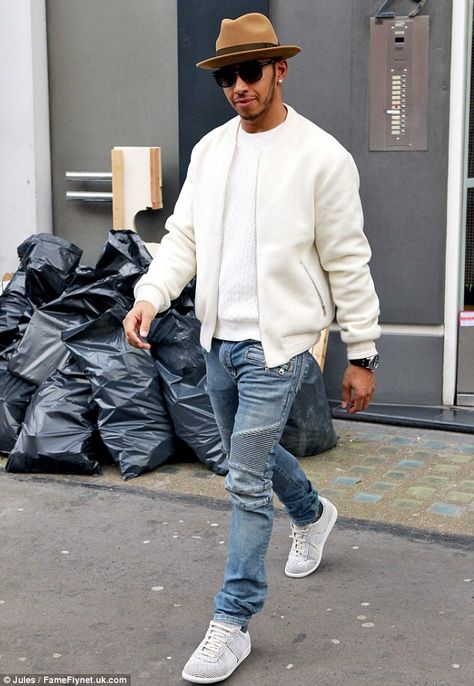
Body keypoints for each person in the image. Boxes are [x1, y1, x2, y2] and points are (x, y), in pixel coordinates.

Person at [123, 12, 380, 684]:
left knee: (241, 479)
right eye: (227, 75)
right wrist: (151, 293)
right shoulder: (212, 152)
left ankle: (232, 621)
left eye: (250, 71)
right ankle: (313, 512)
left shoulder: (321, 157)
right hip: (218, 342)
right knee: (253, 462)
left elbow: (349, 259)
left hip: (282, 347)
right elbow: (182, 239)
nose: (238, 85)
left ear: (279, 70)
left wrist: (363, 352)